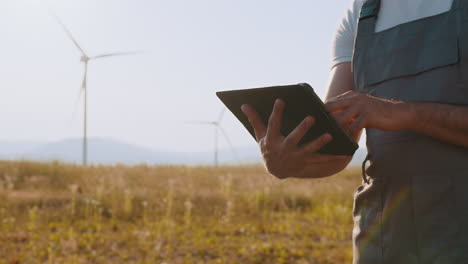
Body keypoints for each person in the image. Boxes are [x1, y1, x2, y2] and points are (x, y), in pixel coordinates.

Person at [241, 0, 468, 263]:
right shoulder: (360, 12)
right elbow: (336, 150)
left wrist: (407, 114)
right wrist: (289, 164)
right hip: (384, 235)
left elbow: (391, 113)